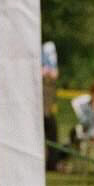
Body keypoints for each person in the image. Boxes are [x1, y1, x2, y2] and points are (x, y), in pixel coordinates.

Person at [41, 39, 65, 171]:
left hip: (46, 110)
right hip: (43, 111)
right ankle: (52, 163)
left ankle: (52, 162)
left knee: (51, 135)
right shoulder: (44, 76)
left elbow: (54, 74)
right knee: (50, 134)